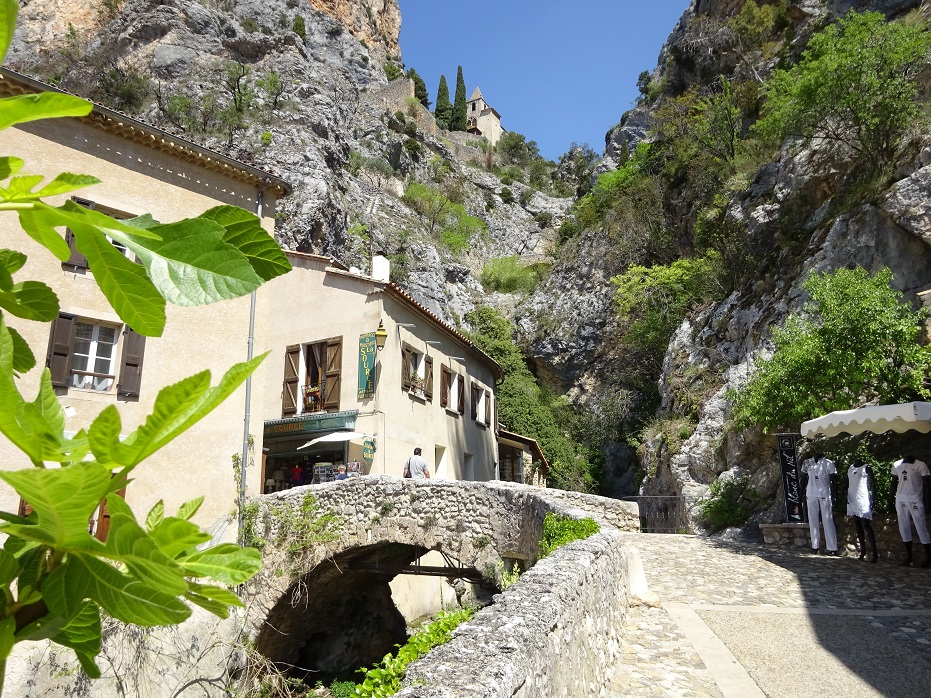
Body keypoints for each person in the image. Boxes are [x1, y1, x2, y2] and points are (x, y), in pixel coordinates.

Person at [891, 454, 931, 567]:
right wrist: (890, 500)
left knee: (921, 527)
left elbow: (927, 484)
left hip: (915, 499)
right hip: (900, 499)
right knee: (903, 527)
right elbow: (893, 483)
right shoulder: (897, 464)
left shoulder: (921, 465)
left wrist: (928, 504)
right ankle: (909, 557)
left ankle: (928, 557)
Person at [800, 453, 838, 555]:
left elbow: (834, 480)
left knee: (827, 519)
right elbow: (803, 479)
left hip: (824, 492)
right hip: (811, 493)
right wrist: (800, 495)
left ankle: (832, 547)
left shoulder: (828, 463)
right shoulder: (807, 462)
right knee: (812, 520)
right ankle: (815, 546)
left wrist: (835, 496)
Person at [847, 459, 877, 563]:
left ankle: (874, 553)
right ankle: (863, 551)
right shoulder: (850, 468)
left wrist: (874, 498)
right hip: (853, 498)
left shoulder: (866, 468)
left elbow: (873, 484)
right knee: (857, 524)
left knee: (866, 524)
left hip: (863, 498)